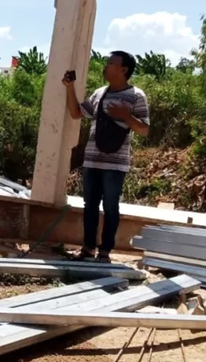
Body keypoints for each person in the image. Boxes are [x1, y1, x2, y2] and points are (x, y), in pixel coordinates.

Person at [61, 51, 150, 263]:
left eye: (111, 63)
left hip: (116, 164)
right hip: (92, 160)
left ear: (123, 70)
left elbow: (145, 130)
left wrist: (125, 115)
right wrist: (69, 87)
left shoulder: (136, 96)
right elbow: (76, 113)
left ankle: (105, 252)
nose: (106, 66)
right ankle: (87, 248)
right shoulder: (100, 93)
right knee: (89, 205)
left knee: (111, 206)